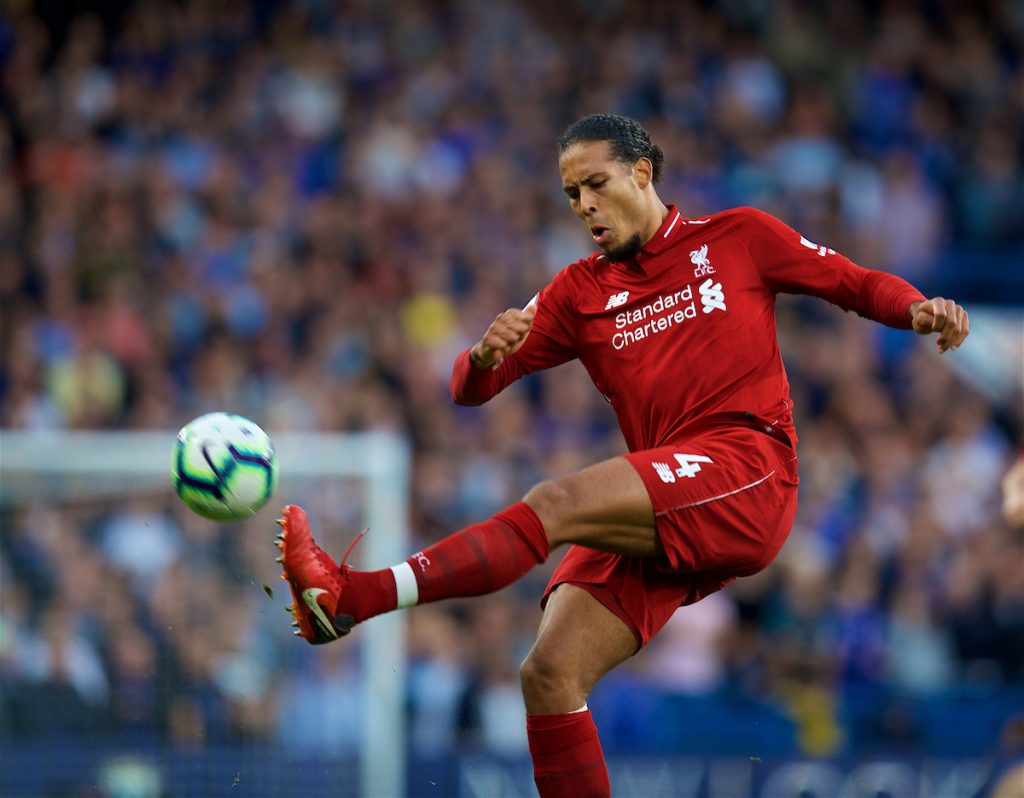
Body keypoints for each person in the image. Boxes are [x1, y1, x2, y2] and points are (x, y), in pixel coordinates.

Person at [275, 114, 970, 797]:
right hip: (666, 501)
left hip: (747, 472)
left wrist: (916, 308)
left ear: (642, 172)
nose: (584, 206)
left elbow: (850, 281)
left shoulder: (738, 237)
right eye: (572, 194)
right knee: (547, 674)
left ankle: (357, 595)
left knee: (555, 502)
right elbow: (467, 390)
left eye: (595, 184)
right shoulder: (579, 292)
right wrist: (485, 355)